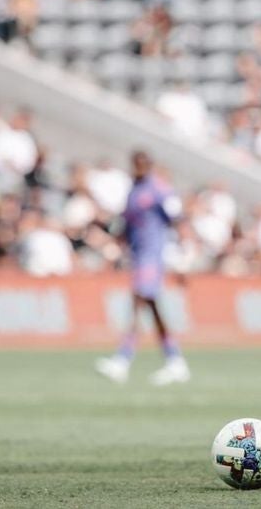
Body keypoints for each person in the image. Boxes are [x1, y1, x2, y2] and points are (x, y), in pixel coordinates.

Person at [95, 151, 190, 385]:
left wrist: (184, 253)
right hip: (138, 256)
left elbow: (177, 218)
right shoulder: (133, 192)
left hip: (153, 254)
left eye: (144, 164)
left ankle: (123, 359)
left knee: (138, 301)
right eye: (137, 164)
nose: (140, 168)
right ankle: (175, 360)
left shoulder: (159, 189)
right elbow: (126, 225)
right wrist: (113, 246)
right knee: (152, 306)